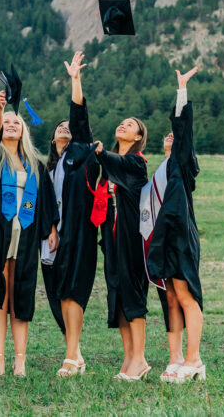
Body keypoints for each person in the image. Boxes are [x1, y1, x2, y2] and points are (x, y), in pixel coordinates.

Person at [0, 88, 59, 377]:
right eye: (7, 123)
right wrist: (0, 110)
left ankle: (20, 360)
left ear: (24, 131)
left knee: (21, 294)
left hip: (25, 233)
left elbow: (46, 199)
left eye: (17, 123)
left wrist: (50, 227)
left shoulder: (35, 165)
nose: (11, 125)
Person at [41, 51, 101, 377]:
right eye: (59, 127)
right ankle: (75, 354)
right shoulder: (49, 167)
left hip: (79, 234)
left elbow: (78, 118)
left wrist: (75, 80)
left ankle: (70, 357)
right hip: (55, 237)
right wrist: (50, 228)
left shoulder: (82, 155)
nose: (65, 128)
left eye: (69, 126)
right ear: (53, 138)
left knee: (74, 290)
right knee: (60, 294)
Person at [147, 66, 205, 383]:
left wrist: (181, 90)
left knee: (186, 296)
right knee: (170, 298)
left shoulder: (181, 167)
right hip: (163, 239)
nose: (171, 137)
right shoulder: (161, 171)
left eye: (175, 137)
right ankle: (175, 358)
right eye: (167, 137)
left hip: (181, 236)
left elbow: (183, 131)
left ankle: (194, 360)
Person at [93, 107, 150, 381]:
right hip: (113, 240)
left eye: (130, 125)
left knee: (133, 294)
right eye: (121, 122)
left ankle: (140, 359)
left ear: (138, 136)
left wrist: (102, 153)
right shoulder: (111, 165)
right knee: (117, 296)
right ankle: (128, 358)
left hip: (131, 239)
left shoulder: (136, 164)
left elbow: (120, 165)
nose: (123, 125)